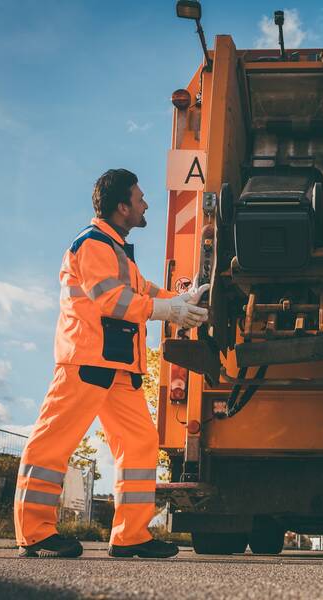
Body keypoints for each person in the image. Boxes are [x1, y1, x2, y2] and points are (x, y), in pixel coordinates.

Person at [14, 169, 209, 558]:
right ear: (122, 207)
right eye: (139, 199)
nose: (145, 204)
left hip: (117, 368)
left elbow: (143, 291)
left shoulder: (116, 250)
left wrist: (182, 300)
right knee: (52, 444)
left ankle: (131, 535)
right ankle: (35, 534)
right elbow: (111, 300)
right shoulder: (92, 245)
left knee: (140, 444)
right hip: (85, 363)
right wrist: (166, 310)